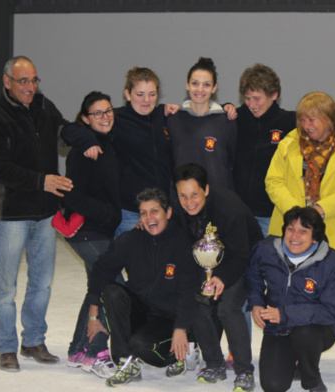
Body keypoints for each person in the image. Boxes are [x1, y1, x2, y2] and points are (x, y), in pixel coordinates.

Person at [266, 91, 335, 387]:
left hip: (330, 229)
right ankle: (301, 358)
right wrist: (297, 215)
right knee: (293, 293)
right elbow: (272, 181)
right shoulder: (288, 144)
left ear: (329, 118)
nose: (306, 124)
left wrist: (321, 209)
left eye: (312, 119)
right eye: (302, 118)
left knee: (334, 298)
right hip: (291, 231)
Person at [0, 55, 73, 372]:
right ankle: (7, 348)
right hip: (11, 215)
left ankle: (33, 341)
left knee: (42, 283)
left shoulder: (45, 107)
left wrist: (92, 126)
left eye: (34, 80)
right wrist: (40, 181)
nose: (30, 87)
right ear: (7, 82)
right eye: (23, 81)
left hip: (45, 213)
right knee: (5, 286)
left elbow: (65, 133)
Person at [84, 187, 202, 387]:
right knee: (113, 292)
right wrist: (93, 315)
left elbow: (189, 290)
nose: (149, 218)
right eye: (144, 213)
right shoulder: (131, 240)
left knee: (142, 345)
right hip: (142, 310)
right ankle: (127, 362)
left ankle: (182, 351)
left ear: (169, 213)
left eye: (155, 211)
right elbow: (100, 270)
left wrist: (181, 328)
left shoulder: (182, 242)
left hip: (169, 318)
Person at [172, 163, 262, 392]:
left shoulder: (228, 209)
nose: (189, 201)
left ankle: (244, 371)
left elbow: (241, 254)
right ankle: (214, 364)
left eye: (195, 194)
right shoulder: (179, 209)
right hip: (207, 261)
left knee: (227, 307)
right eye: (183, 195)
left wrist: (221, 278)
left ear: (207, 190)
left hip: (242, 260)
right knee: (198, 303)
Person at [61, 67, 178, 237]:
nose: (146, 100)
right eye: (140, 94)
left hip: (162, 211)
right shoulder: (114, 118)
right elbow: (70, 129)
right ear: (127, 94)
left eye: (152, 94)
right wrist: (88, 141)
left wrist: (227, 107)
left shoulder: (166, 117)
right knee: (132, 262)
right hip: (129, 213)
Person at [246, 206, 335, 392]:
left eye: (303, 231)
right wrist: (256, 302)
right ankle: (293, 361)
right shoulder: (266, 250)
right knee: (273, 385)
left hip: (317, 329)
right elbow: (253, 275)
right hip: (278, 326)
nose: (294, 237)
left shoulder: (332, 262)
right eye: (290, 229)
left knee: (304, 333)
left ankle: (312, 379)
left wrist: (285, 314)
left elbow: (331, 311)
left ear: (314, 237)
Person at [59, 91, 121, 378]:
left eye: (108, 111)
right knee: (111, 285)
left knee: (96, 287)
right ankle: (96, 351)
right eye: (97, 113)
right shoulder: (84, 151)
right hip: (86, 230)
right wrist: (108, 213)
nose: (105, 116)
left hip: (101, 229)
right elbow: (71, 196)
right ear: (85, 119)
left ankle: (77, 349)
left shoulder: (108, 144)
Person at [234, 63, 295, 236]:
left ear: (274, 95)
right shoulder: (235, 118)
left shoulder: (290, 122)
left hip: (271, 214)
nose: (252, 104)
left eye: (257, 98)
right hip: (240, 212)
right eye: (247, 98)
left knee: (270, 262)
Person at [167, 57, 237, 190]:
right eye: (195, 83)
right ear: (187, 84)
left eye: (206, 85)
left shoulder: (226, 121)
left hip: (218, 201)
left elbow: (231, 162)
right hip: (184, 202)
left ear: (214, 88)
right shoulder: (173, 120)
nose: (200, 89)